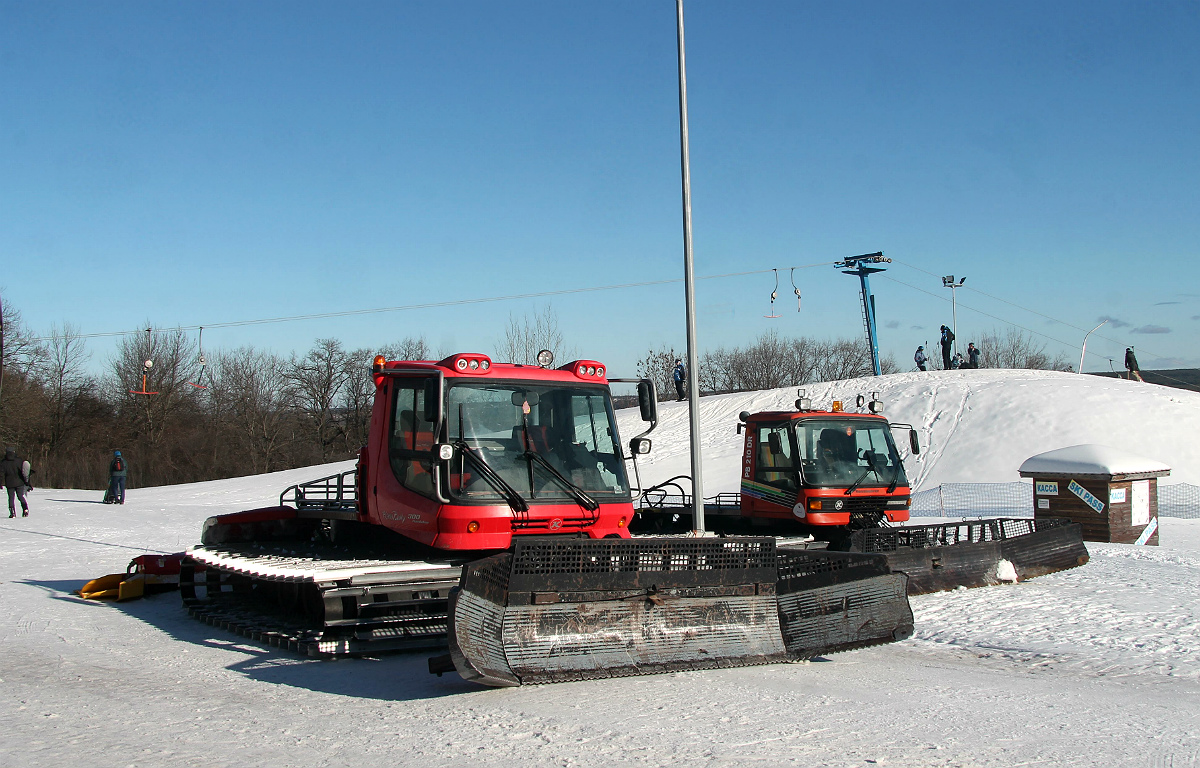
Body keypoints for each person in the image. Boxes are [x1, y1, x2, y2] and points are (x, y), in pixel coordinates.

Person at [2, 447, 31, 518]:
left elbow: (1, 473)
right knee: (20, 496)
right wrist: (26, 481)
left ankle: (12, 512)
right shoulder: (19, 461)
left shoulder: (3, 462)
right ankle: (25, 509)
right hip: (19, 482)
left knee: (11, 497)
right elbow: (24, 471)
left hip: (9, 483)